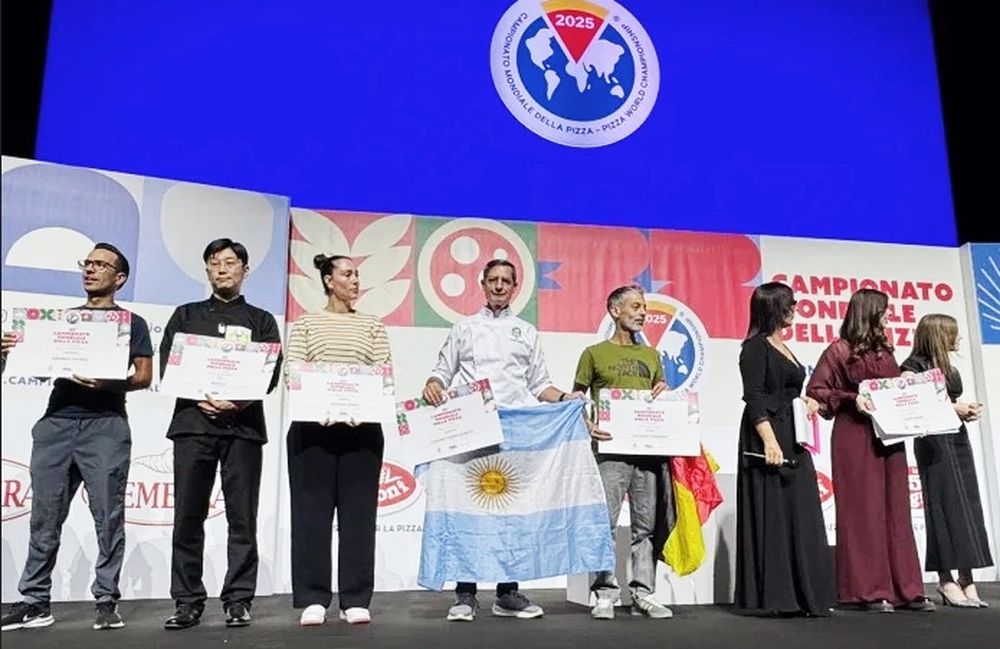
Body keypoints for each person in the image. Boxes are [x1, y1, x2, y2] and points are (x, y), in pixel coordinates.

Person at [0, 244, 153, 632]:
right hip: (56, 422)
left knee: (107, 516)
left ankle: (106, 600)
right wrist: (7, 354)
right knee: (44, 516)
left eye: (102, 265)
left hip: (105, 423)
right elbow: (29, 368)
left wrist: (107, 382)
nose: (91, 270)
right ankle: (35, 602)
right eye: (88, 263)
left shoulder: (130, 323)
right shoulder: (58, 321)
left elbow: (144, 377)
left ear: (119, 278)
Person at [422, 258, 581, 621]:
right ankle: (464, 595)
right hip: (471, 428)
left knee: (511, 513)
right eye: (492, 280)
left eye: (505, 281)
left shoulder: (526, 332)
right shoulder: (464, 328)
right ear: (482, 284)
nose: (498, 286)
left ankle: (507, 593)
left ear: (515, 286)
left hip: (514, 433)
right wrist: (433, 384)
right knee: (469, 511)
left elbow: (540, 384)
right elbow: (442, 371)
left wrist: (564, 398)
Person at [161, 238, 282, 630]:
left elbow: (270, 371)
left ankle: (238, 599)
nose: (222, 269)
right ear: (207, 270)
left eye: (230, 262)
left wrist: (239, 403)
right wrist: (203, 398)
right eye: (214, 263)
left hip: (243, 429)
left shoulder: (261, 320)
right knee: (187, 516)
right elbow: (170, 363)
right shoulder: (186, 315)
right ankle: (187, 600)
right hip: (193, 425)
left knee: (241, 517)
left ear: (245, 270)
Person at [806, 289, 934, 613]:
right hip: (855, 436)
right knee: (863, 512)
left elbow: (894, 391)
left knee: (896, 512)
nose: (889, 317)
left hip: (890, 438)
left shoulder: (884, 352)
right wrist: (852, 399)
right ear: (869, 313)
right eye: (885, 311)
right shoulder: (839, 351)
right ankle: (865, 591)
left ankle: (905, 589)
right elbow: (817, 390)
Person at [286, 254, 390, 626]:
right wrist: (320, 406)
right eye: (347, 274)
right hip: (313, 430)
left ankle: (355, 598)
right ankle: (313, 597)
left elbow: (382, 373)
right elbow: (294, 371)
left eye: (358, 274)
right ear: (329, 281)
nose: (355, 280)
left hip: (361, 430)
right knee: (311, 514)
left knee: (358, 515)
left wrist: (360, 407)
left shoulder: (372, 325)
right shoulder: (307, 323)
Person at [572, 285, 674, 620]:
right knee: (605, 523)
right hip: (609, 450)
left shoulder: (652, 356)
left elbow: (660, 398)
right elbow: (576, 398)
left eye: (644, 307)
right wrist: (587, 424)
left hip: (648, 453)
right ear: (614, 311)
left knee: (645, 526)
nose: (643, 312)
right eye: (635, 306)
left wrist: (665, 394)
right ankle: (605, 593)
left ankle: (643, 592)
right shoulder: (593, 353)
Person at [733, 282, 835, 616]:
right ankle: (781, 596)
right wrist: (769, 441)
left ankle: (805, 592)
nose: (795, 308)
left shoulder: (784, 346)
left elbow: (787, 389)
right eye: (790, 303)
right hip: (769, 434)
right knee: (775, 511)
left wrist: (804, 399)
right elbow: (755, 396)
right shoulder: (755, 347)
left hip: (793, 433)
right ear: (774, 308)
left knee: (799, 511)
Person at [901, 314, 992, 608]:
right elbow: (909, 397)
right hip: (932, 442)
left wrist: (965, 411)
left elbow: (952, 403)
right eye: (953, 333)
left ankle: (967, 576)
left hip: (957, 438)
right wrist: (955, 408)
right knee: (942, 505)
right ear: (938, 335)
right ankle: (945, 579)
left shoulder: (950, 369)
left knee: (968, 505)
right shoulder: (912, 366)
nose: (959, 338)